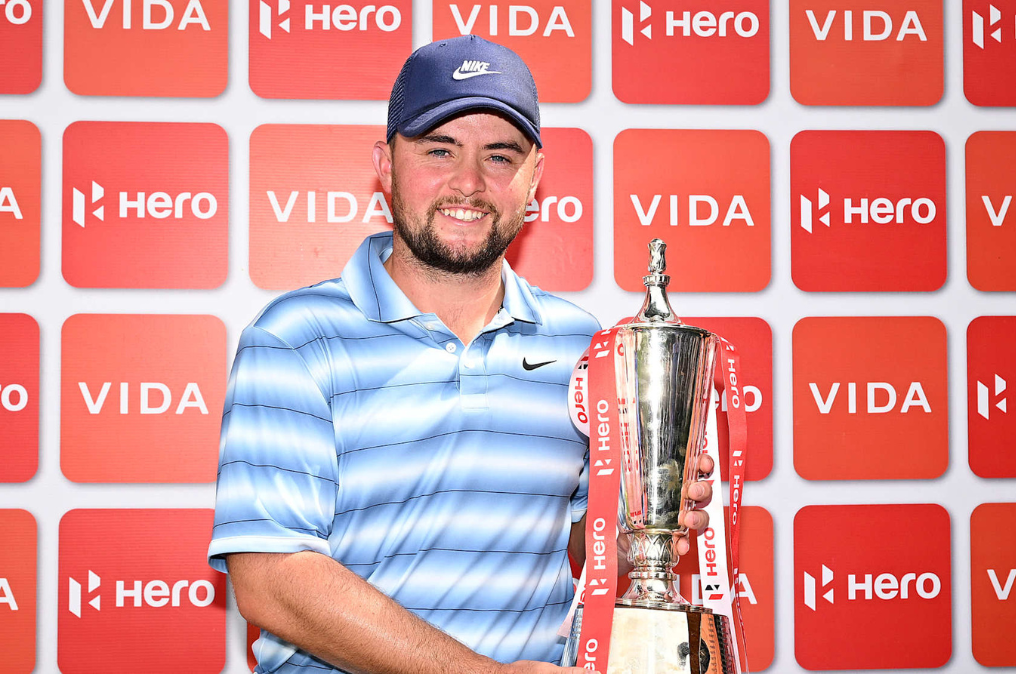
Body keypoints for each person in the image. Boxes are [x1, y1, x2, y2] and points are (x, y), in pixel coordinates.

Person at [207, 36, 714, 674]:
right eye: (438, 150)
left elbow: (586, 551)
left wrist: (644, 518)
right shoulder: (297, 338)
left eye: (500, 156)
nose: (469, 183)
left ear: (535, 179)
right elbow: (272, 577)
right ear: (386, 166)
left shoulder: (586, 347)